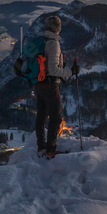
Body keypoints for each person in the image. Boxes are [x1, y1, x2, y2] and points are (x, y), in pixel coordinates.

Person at [35, 15, 80, 156]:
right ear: (58, 28)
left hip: (38, 83)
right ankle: (51, 150)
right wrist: (70, 71)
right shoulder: (53, 43)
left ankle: (41, 146)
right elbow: (53, 70)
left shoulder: (42, 41)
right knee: (56, 117)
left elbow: (46, 63)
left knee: (41, 116)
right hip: (49, 85)